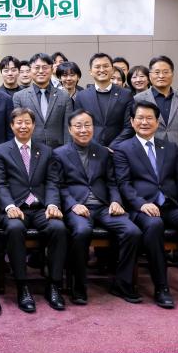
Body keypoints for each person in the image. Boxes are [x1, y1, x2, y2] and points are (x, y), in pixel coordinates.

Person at [113, 101, 178, 309]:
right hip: (141, 208)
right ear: (132, 121)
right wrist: (141, 204)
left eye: (150, 118)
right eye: (140, 118)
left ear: (157, 123)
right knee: (154, 224)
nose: (145, 122)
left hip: (171, 205)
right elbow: (123, 184)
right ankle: (161, 286)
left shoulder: (170, 147)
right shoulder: (123, 149)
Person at [53, 109, 143, 304]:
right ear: (70, 129)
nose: (83, 130)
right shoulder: (59, 154)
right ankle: (78, 286)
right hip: (78, 207)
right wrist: (72, 205)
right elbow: (59, 186)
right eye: (78, 126)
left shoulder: (103, 152)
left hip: (103, 206)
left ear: (93, 128)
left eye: (87, 125)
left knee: (132, 231)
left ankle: (122, 283)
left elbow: (112, 182)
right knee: (81, 231)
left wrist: (116, 201)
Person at [0, 107, 66, 312]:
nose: (23, 126)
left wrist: (52, 204)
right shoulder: (0, 151)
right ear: (11, 125)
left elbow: (52, 182)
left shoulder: (46, 151)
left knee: (58, 228)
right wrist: (9, 206)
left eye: (27, 122)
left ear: (34, 126)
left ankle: (54, 285)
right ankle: (22, 286)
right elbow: (0, 183)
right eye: (19, 122)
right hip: (15, 207)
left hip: (41, 207)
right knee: (15, 228)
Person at [134, 55, 178, 178]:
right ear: (150, 75)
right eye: (157, 72)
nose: (161, 76)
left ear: (172, 74)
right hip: (150, 157)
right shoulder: (138, 99)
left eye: (165, 72)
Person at [72, 53, 134, 149]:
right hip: (90, 149)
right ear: (91, 71)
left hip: (119, 150)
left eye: (105, 66)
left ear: (112, 70)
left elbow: (129, 126)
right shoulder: (82, 96)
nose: (101, 70)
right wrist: (97, 147)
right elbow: (78, 125)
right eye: (97, 67)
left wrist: (113, 146)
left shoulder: (126, 94)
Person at [12, 53, 70, 148]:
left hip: (58, 150)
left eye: (45, 67)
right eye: (37, 67)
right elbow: (18, 128)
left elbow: (68, 127)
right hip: (31, 149)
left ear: (52, 69)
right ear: (30, 70)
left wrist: (67, 150)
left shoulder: (64, 95)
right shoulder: (19, 96)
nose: (41, 71)